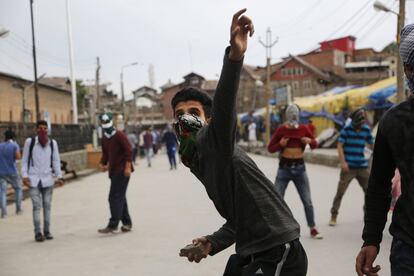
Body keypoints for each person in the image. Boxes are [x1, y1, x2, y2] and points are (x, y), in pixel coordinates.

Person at [174, 9, 307, 276]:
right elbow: (240, 217)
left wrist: (235, 57)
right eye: (179, 115)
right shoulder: (196, 160)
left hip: (277, 250)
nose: (185, 120)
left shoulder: (216, 142)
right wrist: (212, 242)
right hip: (252, 248)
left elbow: (224, 107)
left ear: (208, 121)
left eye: (194, 113)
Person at [355, 24, 414, 276]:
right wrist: (371, 239)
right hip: (408, 248)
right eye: (411, 66)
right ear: (407, 69)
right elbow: (379, 185)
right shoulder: (394, 121)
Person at [267, 104, 323, 239]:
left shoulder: (304, 128)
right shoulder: (281, 129)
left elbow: (315, 144)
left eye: (295, 115)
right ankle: (275, 229)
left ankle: (313, 228)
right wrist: (280, 144)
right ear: (287, 116)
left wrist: (309, 140)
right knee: (276, 199)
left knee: (307, 200)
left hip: (299, 168)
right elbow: (270, 148)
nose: (293, 118)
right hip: (284, 169)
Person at [329, 108, 374, 227]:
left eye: (363, 120)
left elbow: (372, 144)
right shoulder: (347, 130)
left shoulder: (366, 130)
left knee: (370, 192)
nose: (362, 122)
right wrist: (343, 162)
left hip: (362, 166)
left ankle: (368, 214)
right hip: (348, 167)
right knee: (340, 192)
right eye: (360, 120)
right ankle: (334, 215)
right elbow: (339, 146)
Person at [21, 120, 63, 242]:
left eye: (45, 128)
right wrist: (24, 175)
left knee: (47, 205)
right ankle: (38, 233)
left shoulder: (52, 143)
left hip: (48, 179)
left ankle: (47, 231)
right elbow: (24, 161)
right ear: (36, 129)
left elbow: (56, 160)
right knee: (36, 206)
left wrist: (59, 176)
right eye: (40, 128)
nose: (43, 130)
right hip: (33, 179)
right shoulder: (30, 142)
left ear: (48, 130)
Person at [98, 113, 133, 233]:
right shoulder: (104, 137)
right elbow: (105, 154)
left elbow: (128, 150)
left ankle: (113, 224)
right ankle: (127, 223)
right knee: (120, 197)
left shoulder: (119, 135)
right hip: (113, 171)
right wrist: (102, 163)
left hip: (122, 170)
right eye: (103, 123)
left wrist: (128, 167)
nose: (106, 126)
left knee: (113, 197)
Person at [0, 130, 22, 218]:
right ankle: (18, 209)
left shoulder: (0, 145)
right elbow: (18, 157)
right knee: (18, 189)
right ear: (13, 137)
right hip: (12, 172)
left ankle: (4, 213)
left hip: (1, 173)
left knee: (2, 192)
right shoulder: (14, 145)